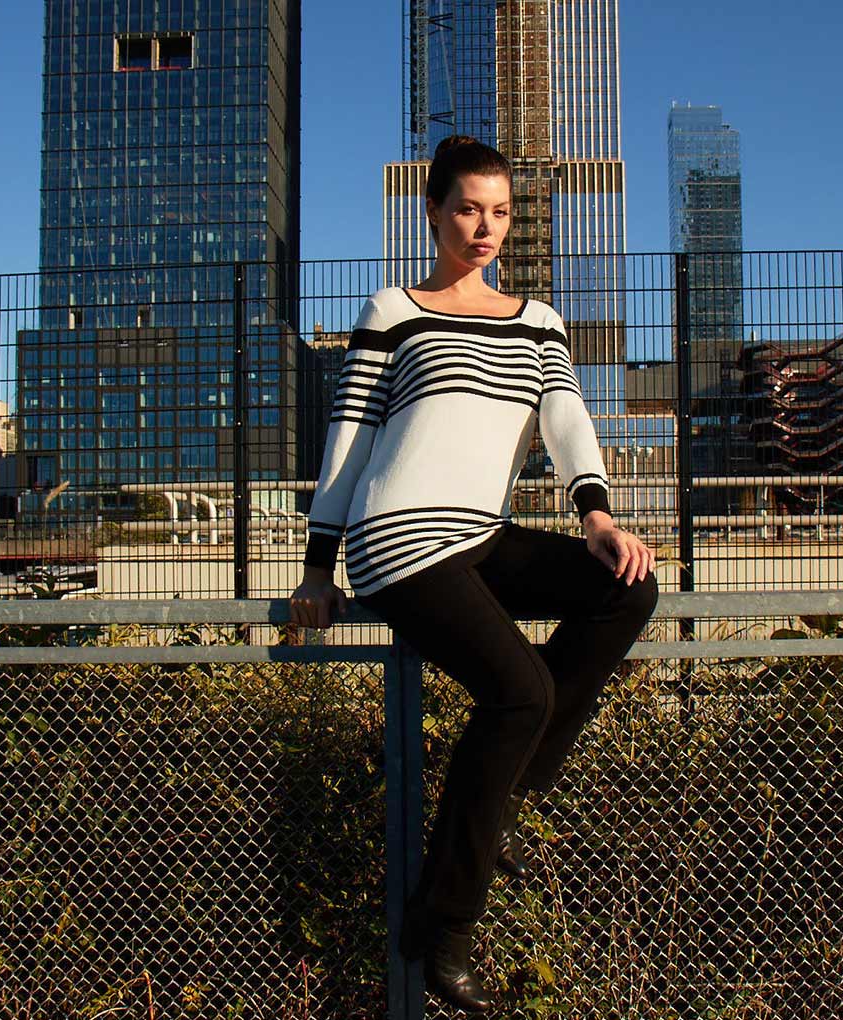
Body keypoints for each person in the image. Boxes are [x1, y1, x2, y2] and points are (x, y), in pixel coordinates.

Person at [288, 134, 658, 1013]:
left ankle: (499, 809)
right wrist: (317, 566)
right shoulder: (394, 311)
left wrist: (595, 513)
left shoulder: (538, 320)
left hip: (480, 535)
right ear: (434, 213)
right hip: (397, 541)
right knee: (522, 691)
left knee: (629, 587)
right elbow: (350, 438)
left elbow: (566, 418)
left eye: (499, 212)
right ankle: (441, 929)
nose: (484, 227)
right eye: (467, 209)